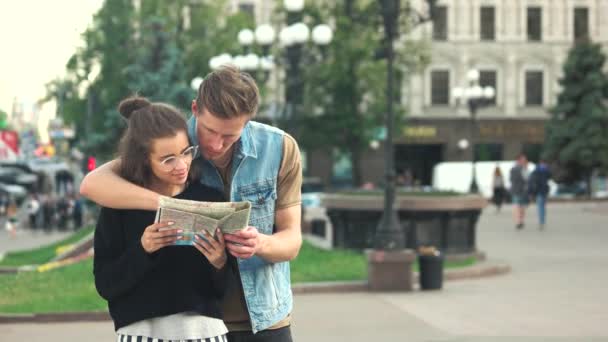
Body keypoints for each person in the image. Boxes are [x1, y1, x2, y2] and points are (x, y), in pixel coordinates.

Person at [81, 66, 302, 341]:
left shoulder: (279, 148)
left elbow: (292, 239)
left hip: (266, 318)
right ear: (195, 109)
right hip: (202, 322)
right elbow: (92, 184)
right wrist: (173, 205)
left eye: (230, 135)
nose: (218, 145)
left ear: (247, 121)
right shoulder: (171, 142)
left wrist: (259, 243)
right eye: (210, 131)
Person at [94, 96, 233, 342]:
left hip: (204, 332)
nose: (181, 165)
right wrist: (143, 249)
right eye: (167, 159)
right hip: (141, 333)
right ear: (143, 159)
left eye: (186, 152)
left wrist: (219, 262)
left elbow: (222, 290)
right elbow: (106, 285)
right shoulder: (119, 206)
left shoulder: (210, 199)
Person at [528, 159, 552, 230]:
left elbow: (549, 176)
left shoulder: (539, 171)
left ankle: (542, 221)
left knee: (541, 207)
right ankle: (542, 221)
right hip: (540, 191)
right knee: (542, 207)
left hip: (542, 191)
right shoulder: (539, 171)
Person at [510, 153, 530, 230]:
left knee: (522, 207)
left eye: (525, 160)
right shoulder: (515, 169)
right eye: (523, 160)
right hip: (517, 190)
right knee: (517, 206)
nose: (524, 161)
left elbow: (528, 179)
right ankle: (518, 222)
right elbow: (513, 180)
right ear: (518, 160)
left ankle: (520, 221)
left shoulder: (525, 168)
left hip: (523, 191)